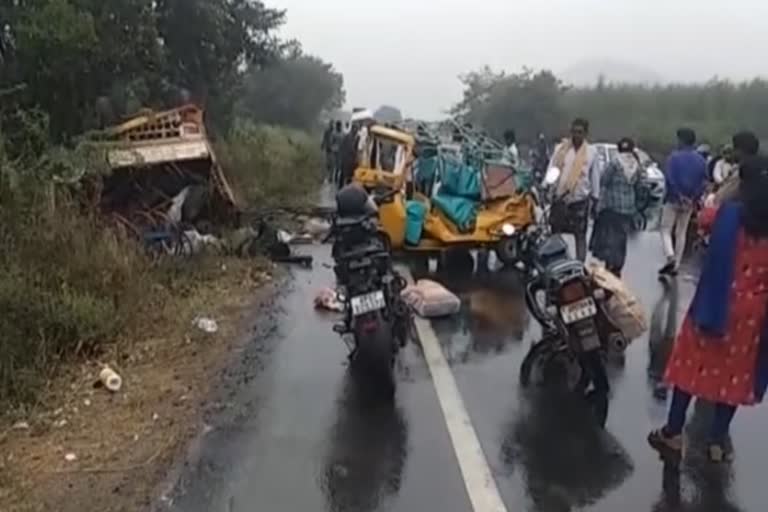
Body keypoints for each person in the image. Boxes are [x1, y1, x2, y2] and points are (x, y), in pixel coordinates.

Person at [648, 155, 768, 464]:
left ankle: (673, 433)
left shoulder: (729, 214)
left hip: (714, 305)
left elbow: (703, 219)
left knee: (691, 368)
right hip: (753, 316)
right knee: (734, 375)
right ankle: (716, 442)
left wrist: (730, 188)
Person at [589, 137, 646, 277]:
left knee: (610, 237)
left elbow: (603, 181)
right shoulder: (636, 165)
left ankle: (610, 263)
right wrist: (638, 208)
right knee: (622, 238)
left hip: (612, 207)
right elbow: (640, 187)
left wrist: (597, 205)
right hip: (628, 209)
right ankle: (618, 264)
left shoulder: (614, 163)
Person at [548, 118, 600, 262]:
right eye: (574, 132)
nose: (576, 135)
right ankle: (555, 262)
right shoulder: (561, 149)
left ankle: (579, 266)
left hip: (579, 200)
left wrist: (595, 199)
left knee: (580, 235)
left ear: (585, 134)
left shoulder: (591, 152)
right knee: (555, 232)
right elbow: (553, 170)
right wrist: (548, 188)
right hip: (560, 198)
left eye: (580, 132)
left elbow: (595, 177)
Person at [659, 128, 708, 276]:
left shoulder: (674, 157)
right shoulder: (700, 160)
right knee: (682, 232)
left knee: (665, 229)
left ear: (681, 140)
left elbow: (669, 178)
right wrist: (693, 197)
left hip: (674, 199)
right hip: (690, 201)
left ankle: (670, 256)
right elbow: (703, 181)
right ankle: (676, 265)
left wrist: (678, 195)